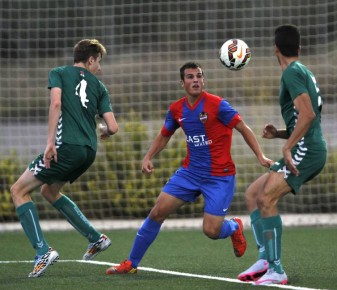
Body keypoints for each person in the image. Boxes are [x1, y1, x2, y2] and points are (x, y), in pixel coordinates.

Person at [106, 61, 273, 275]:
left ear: (203, 80)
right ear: (182, 83)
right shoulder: (176, 109)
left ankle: (234, 227)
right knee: (157, 212)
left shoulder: (218, 104)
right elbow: (164, 135)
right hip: (190, 173)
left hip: (219, 177)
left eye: (199, 76)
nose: (195, 80)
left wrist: (260, 156)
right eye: (190, 77)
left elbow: (243, 128)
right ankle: (131, 264)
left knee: (211, 231)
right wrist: (148, 156)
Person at [10, 39, 119, 278]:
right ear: (90, 60)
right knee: (49, 191)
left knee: (18, 190)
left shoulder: (58, 73)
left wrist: (50, 142)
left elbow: (56, 102)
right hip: (88, 151)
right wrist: (103, 132)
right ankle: (95, 238)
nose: (99, 68)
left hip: (65, 147)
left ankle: (42, 251)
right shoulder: (100, 87)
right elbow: (112, 126)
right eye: (99, 62)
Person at [237, 25, 327, 286]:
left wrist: (287, 146)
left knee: (266, 198)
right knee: (253, 195)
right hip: (307, 145)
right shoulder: (303, 71)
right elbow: (307, 117)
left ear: (275, 48)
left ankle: (277, 270)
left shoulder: (291, 73)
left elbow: (309, 115)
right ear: (298, 47)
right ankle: (265, 259)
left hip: (307, 149)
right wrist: (279, 134)